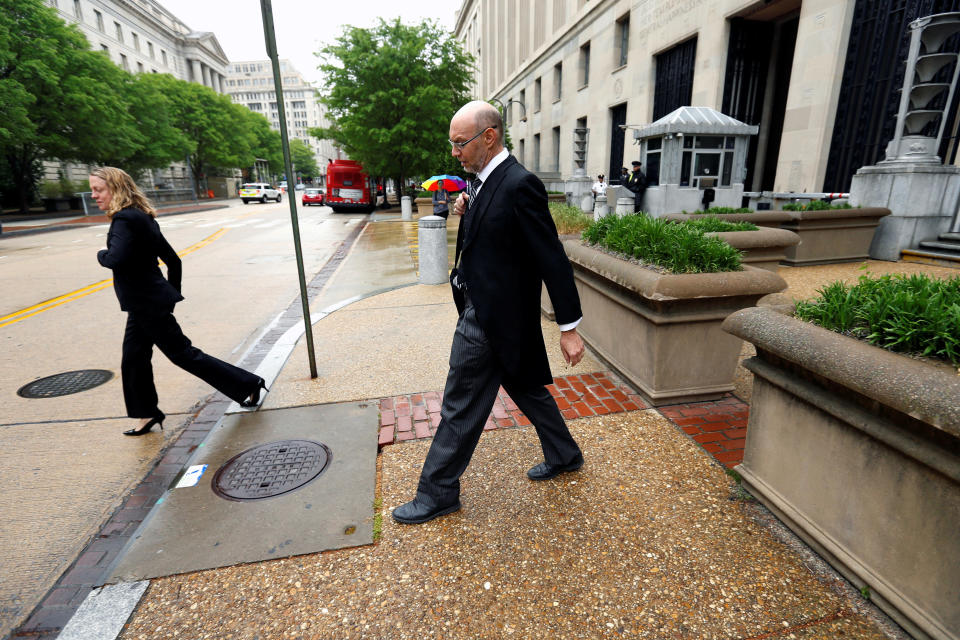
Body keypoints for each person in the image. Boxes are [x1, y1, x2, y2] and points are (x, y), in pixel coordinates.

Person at [392, 101, 586, 525]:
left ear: (489, 137)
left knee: (460, 404)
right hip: (491, 310)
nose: (454, 152)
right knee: (525, 387)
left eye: (460, 143)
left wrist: (569, 327)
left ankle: (438, 492)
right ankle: (565, 453)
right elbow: (492, 238)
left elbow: (551, 258)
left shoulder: (520, 184)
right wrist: (469, 209)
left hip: (491, 319)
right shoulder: (481, 183)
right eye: (453, 143)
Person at [91, 167, 267, 436]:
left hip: (146, 304)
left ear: (115, 188)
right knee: (133, 359)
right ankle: (147, 413)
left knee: (183, 355)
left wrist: (101, 254)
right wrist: (169, 297)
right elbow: (173, 260)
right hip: (145, 305)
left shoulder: (125, 219)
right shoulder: (142, 216)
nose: (94, 195)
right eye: (93, 190)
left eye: (98, 189)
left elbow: (115, 259)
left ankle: (248, 384)